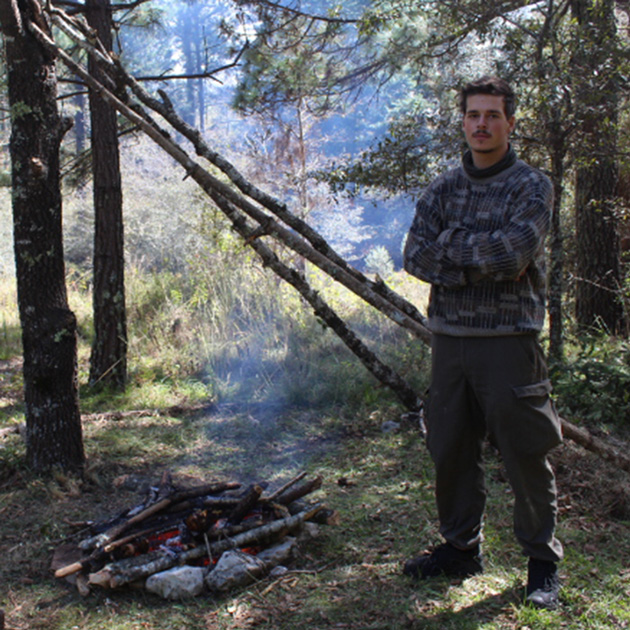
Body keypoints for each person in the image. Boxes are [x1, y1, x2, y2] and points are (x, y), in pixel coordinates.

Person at [402, 76, 563, 610]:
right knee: (450, 448)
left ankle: (542, 564)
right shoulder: (443, 189)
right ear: (463, 121)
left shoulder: (531, 186)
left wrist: (452, 251)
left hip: (509, 341)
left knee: (525, 453)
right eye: (473, 114)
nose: (482, 124)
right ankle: (459, 549)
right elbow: (415, 256)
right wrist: (477, 260)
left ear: (510, 123)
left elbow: (513, 253)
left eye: (493, 115)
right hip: (449, 340)